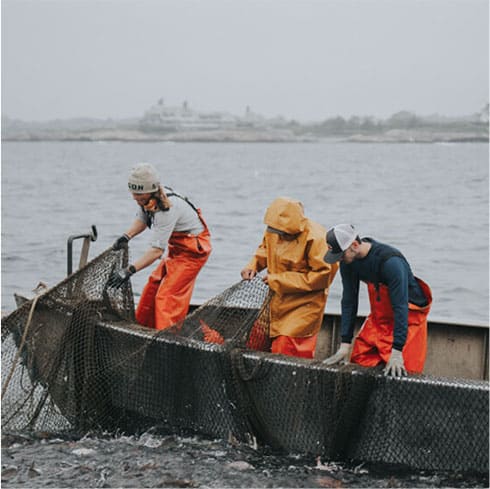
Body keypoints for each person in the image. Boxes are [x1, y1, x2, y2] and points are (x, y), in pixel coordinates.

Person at [109, 163, 212, 330]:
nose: (135, 198)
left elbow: (156, 251)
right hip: (177, 249)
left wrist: (129, 270)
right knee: (153, 285)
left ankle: (167, 340)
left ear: (150, 190)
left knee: (167, 296)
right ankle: (144, 330)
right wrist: (126, 236)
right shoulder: (147, 200)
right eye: (133, 194)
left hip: (194, 252)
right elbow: (143, 220)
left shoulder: (167, 209)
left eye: (139, 195)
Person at [323, 224, 432, 377]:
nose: (339, 260)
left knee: (402, 374)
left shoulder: (391, 262)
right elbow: (349, 301)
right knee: (359, 359)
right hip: (381, 318)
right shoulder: (348, 262)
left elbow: (401, 306)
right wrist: (345, 345)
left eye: (341, 255)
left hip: (408, 318)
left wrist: (397, 351)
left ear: (354, 245)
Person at [241, 197, 339, 359]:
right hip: (274, 303)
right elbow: (265, 248)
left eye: (282, 233)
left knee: (286, 351)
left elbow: (323, 276)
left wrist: (279, 280)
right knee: (255, 342)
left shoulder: (317, 238)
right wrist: (253, 266)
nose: (277, 235)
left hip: (303, 308)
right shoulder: (274, 229)